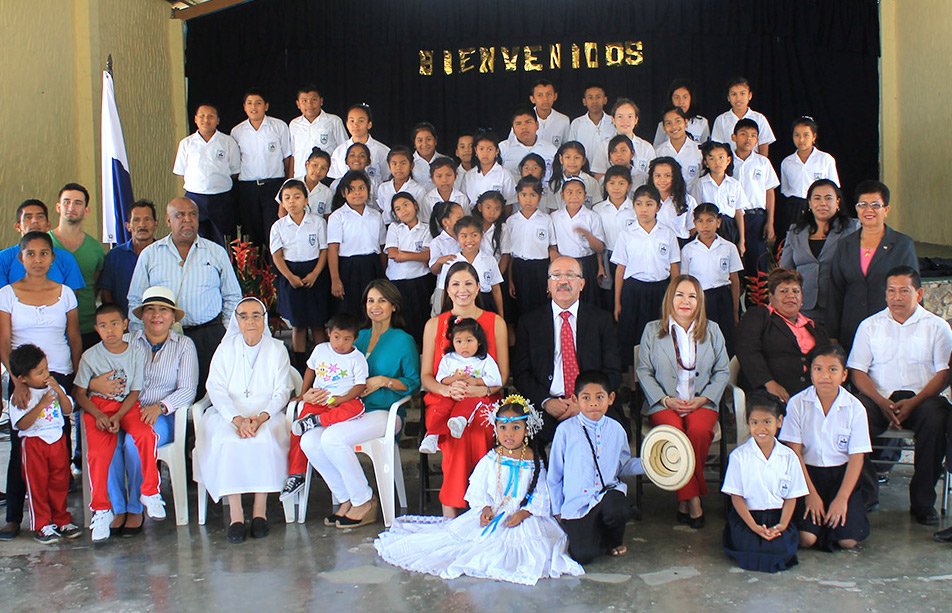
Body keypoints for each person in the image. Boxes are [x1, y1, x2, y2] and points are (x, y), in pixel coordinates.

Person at [374, 396, 583, 585]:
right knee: (473, 545)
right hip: (495, 511)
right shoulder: (492, 458)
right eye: (503, 428)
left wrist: (524, 512)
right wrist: (485, 507)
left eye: (516, 428)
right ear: (496, 429)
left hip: (526, 516)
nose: (509, 434)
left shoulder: (534, 460)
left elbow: (541, 493)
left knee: (534, 549)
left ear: (527, 430)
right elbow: (479, 487)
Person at [301, 280, 419, 527]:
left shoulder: (403, 340)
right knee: (309, 440)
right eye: (370, 300)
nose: (375, 306)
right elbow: (329, 372)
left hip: (383, 412)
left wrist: (384, 381)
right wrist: (311, 393)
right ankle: (346, 498)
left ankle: (365, 500)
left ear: (394, 306)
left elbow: (413, 383)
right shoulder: (356, 336)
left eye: (382, 301)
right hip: (345, 410)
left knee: (331, 438)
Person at [848, 266, 952, 525]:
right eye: (891, 291)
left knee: (938, 417)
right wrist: (881, 401)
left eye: (904, 291)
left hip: (922, 399)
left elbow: (943, 374)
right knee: (852, 415)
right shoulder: (869, 326)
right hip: (879, 398)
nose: (897, 297)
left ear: (919, 294)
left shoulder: (937, 327)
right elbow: (858, 371)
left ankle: (922, 502)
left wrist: (914, 402)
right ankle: (867, 494)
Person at [0, 231, 82, 541]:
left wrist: (74, 378)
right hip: (22, 378)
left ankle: (58, 517)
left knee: (58, 450)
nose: (37, 259)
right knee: (21, 448)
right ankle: (14, 517)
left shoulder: (66, 294)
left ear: (52, 257)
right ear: (20, 258)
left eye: (44, 253)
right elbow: (3, 340)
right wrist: (17, 380)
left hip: (57, 374)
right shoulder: (7, 294)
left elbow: (74, 337)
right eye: (30, 254)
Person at [97, 286, 197, 536]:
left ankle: (135, 507)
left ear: (173, 317)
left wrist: (160, 407)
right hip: (124, 410)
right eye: (150, 309)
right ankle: (117, 507)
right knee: (106, 442)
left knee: (134, 444)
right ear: (141, 316)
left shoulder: (184, 345)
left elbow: (188, 390)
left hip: (162, 416)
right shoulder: (127, 341)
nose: (156, 315)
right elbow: (104, 373)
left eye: (163, 310)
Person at [194, 297, 293, 544]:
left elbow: (283, 390)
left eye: (256, 315)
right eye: (244, 316)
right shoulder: (225, 348)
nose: (250, 321)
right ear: (236, 320)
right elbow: (215, 388)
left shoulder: (277, 349)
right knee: (227, 442)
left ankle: (260, 510)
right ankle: (236, 514)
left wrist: (260, 418)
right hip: (228, 414)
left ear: (264, 319)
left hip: (266, 414)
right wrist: (237, 419)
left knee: (265, 440)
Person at [637, 275, 730, 528]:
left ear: (700, 302)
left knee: (698, 431)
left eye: (692, 296)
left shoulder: (712, 330)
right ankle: (694, 500)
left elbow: (723, 370)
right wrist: (665, 399)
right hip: (665, 403)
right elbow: (643, 371)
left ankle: (684, 498)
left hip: (702, 402)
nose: (685, 301)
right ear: (670, 298)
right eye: (679, 295)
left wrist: (704, 398)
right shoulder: (652, 330)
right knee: (675, 434)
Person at [128, 197, 242, 395]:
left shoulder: (215, 252)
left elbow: (232, 296)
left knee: (210, 393)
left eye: (192, 215)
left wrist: (226, 332)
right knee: (168, 394)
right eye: (180, 215)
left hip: (209, 335)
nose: (187, 220)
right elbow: (136, 299)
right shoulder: (150, 254)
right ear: (168, 220)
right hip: (164, 337)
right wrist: (140, 339)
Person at [73, 304, 166, 542]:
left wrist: (117, 416)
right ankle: (102, 509)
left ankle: (150, 491)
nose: (110, 330)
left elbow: (134, 391)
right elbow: (79, 393)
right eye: (103, 326)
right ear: (96, 329)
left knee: (146, 435)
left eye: (114, 324)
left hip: (127, 406)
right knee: (97, 454)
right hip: (98, 408)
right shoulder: (90, 356)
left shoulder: (135, 352)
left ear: (125, 324)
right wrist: (100, 415)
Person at [421, 262, 508, 516]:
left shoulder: (495, 322)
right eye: (456, 284)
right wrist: (446, 390)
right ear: (447, 289)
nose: (463, 290)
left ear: (478, 287)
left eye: (469, 283)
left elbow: (502, 376)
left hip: (484, 398)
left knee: (477, 428)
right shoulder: (434, 325)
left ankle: (482, 505)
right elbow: (426, 376)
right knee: (453, 432)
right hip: (445, 398)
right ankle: (452, 508)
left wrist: (484, 391)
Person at [513, 256, 623, 446]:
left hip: (592, 405)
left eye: (570, 275)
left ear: (582, 284)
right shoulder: (529, 322)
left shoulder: (601, 321)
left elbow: (613, 372)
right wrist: (546, 401)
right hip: (545, 406)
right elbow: (521, 374)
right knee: (523, 438)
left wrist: (584, 403)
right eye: (556, 276)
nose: (563, 281)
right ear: (548, 285)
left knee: (613, 436)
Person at [779, 344, 871, 551]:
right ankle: (816, 526)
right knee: (806, 539)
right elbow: (795, 452)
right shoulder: (797, 403)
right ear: (810, 372)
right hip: (807, 475)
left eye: (833, 369)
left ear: (844, 375)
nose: (825, 376)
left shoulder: (855, 408)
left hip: (842, 477)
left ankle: (837, 519)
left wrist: (842, 498)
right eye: (818, 369)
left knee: (848, 541)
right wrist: (810, 494)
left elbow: (857, 458)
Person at [548, 370, 644, 563]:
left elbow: (623, 465)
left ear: (611, 398)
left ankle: (614, 539)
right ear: (575, 400)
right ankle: (598, 534)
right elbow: (555, 474)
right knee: (583, 555)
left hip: (607, 495)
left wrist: (649, 464)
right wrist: (557, 509)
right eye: (586, 397)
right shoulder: (565, 431)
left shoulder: (616, 429)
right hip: (578, 502)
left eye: (599, 397)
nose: (593, 403)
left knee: (618, 509)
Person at [283, 314, 368, 512]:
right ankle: (296, 473)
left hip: (341, 401)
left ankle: (318, 421)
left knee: (356, 407)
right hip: (318, 400)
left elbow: (360, 385)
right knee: (297, 431)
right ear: (329, 333)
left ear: (355, 339)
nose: (340, 343)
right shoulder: (321, 350)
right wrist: (303, 394)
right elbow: (310, 370)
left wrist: (343, 399)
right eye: (336, 337)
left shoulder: (357, 358)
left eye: (347, 339)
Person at [827, 180, 918, 350]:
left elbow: (913, 290)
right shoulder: (844, 245)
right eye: (863, 205)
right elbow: (835, 292)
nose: (868, 210)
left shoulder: (902, 244)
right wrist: (832, 335)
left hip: (892, 330)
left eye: (875, 205)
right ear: (856, 209)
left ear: (886, 210)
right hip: (852, 331)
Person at [721, 391, 806, 573]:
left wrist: (782, 524)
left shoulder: (789, 457)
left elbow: (791, 497)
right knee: (750, 548)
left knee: (780, 548)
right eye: (755, 422)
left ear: (779, 421)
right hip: (748, 517)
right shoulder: (738, 457)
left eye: (767, 422)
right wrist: (754, 526)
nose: (761, 428)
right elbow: (736, 497)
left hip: (777, 517)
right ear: (748, 423)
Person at [6, 344, 81, 544]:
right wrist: (41, 405)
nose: (46, 374)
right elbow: (21, 424)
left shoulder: (53, 388)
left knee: (60, 481)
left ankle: (61, 519)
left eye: (46, 368)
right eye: (39, 372)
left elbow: (68, 410)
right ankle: (42, 524)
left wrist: (59, 392)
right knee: (37, 485)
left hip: (56, 440)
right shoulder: (20, 397)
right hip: (34, 443)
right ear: (23, 378)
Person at [736, 269, 831, 403]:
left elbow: (829, 357)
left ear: (802, 299)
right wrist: (769, 383)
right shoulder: (759, 316)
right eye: (783, 291)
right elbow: (747, 350)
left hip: (810, 395)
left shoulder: (815, 328)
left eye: (796, 291)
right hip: (768, 393)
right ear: (771, 297)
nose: (791, 295)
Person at [613, 184, 680, 368]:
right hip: (633, 290)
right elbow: (620, 269)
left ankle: (659, 374)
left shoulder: (667, 234)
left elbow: (674, 268)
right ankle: (632, 379)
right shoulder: (626, 234)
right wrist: (617, 302)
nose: (644, 209)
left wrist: (674, 297)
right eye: (639, 204)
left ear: (658, 207)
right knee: (631, 335)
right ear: (633, 206)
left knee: (660, 333)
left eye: (649, 204)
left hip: (660, 290)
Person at [419, 316, 502, 455]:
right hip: (452, 393)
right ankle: (432, 435)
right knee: (440, 408)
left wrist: (476, 381)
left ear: (479, 342)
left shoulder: (484, 360)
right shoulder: (449, 359)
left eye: (469, 341)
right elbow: (441, 378)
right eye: (459, 341)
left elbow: (495, 379)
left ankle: (459, 421)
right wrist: (454, 379)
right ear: (452, 342)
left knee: (470, 403)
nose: (464, 346)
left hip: (472, 394)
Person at [779, 180, 859, 324]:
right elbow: (786, 272)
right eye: (817, 198)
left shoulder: (853, 228)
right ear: (809, 203)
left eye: (828, 198)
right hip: (803, 307)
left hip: (839, 305)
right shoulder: (795, 231)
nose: (822, 203)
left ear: (837, 202)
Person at [270, 179, 329, 373]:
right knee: (298, 324)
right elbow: (277, 255)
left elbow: (324, 250)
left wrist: (315, 273)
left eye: (297, 197)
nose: (292, 201)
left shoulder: (318, 223)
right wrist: (289, 277)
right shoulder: (278, 226)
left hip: (315, 274)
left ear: (306, 200)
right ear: (282, 202)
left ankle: (324, 364)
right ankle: (300, 366)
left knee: (318, 323)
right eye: (287, 198)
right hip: (290, 274)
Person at [172, 103, 241, 245]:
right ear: (195, 119)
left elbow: (235, 171)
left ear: (218, 120)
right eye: (202, 116)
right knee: (195, 239)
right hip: (194, 198)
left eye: (211, 116)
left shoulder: (228, 142)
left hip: (221, 199)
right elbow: (181, 171)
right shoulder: (186, 143)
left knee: (224, 239)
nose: (206, 120)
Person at [231, 88, 292, 247]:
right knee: (250, 231)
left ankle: (273, 263)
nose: (254, 107)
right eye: (249, 103)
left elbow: (287, 157)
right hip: (248, 188)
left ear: (266, 106)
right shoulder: (237, 131)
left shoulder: (279, 126)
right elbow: (234, 164)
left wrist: (287, 183)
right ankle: (254, 264)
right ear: (244, 107)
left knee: (274, 230)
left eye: (258, 103)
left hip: (274, 186)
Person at [680, 204, 742, 356]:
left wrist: (735, 310)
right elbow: (685, 282)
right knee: (702, 339)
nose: (705, 226)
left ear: (718, 222)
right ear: (694, 224)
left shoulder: (729, 247)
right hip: (699, 299)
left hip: (723, 297)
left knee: (726, 337)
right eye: (700, 221)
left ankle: (726, 369)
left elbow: (735, 280)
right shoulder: (688, 250)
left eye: (710, 220)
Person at [49, 183, 105, 350]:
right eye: (66, 202)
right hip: (51, 328)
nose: (71, 207)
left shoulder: (95, 248)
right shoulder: (44, 244)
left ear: (86, 210)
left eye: (78, 203)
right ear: (58, 207)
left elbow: (95, 285)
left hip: (87, 327)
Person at [327, 170, 387, 317]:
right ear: (343, 193)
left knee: (373, 309)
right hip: (348, 268)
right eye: (352, 189)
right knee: (350, 311)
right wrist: (335, 279)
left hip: (372, 266)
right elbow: (333, 249)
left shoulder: (376, 215)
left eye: (361, 188)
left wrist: (384, 273)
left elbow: (382, 248)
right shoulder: (337, 217)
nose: (357, 193)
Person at [504, 177, 558, 321]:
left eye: (533, 195)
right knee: (520, 307)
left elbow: (552, 248)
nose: (528, 199)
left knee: (540, 306)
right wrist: (510, 280)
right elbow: (509, 254)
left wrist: (551, 279)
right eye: (524, 195)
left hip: (540, 268)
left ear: (540, 197)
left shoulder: (546, 220)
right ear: (518, 196)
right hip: (518, 268)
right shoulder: (511, 221)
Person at [778, 117, 840, 241]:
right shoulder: (787, 162)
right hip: (795, 207)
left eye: (806, 135)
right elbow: (785, 189)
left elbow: (834, 188)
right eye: (797, 135)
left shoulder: (825, 159)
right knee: (795, 241)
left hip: (819, 205)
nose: (801, 139)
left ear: (814, 137)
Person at [0, 199, 84, 290]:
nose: (35, 221)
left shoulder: (66, 258)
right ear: (18, 226)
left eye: (40, 217)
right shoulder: (3, 258)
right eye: (28, 217)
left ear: (48, 225)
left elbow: (70, 295)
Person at [384, 192, 433, 346]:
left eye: (406, 205)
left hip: (421, 281)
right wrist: (416, 256)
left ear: (415, 206)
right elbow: (392, 254)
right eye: (398, 209)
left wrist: (404, 255)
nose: (403, 210)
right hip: (397, 283)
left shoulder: (426, 228)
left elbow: (428, 255)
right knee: (400, 321)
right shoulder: (394, 228)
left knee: (421, 320)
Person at [731, 119, 779, 273]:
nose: (748, 139)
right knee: (733, 264)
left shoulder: (762, 162)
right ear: (734, 137)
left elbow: (769, 192)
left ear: (757, 140)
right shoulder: (726, 161)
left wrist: (770, 221)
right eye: (743, 134)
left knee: (757, 265)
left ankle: (757, 291)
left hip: (756, 218)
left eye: (753, 135)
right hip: (732, 219)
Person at [550, 177, 606, 306]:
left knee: (588, 300)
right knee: (566, 299)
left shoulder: (592, 216)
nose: (574, 196)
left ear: (585, 195)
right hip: (563, 264)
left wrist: (587, 234)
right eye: (569, 192)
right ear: (562, 195)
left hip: (587, 264)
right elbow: (551, 245)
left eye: (579, 192)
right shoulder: (555, 217)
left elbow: (599, 248)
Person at [99, 200, 158, 317]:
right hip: (124, 323)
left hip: (158, 322)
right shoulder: (114, 256)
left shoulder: (165, 255)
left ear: (156, 224)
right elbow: (105, 292)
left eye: (147, 219)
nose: (142, 225)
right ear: (128, 226)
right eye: (136, 220)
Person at [436, 216, 504, 316]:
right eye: (464, 236)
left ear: (482, 235)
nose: (469, 240)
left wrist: (501, 315)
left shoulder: (489, 260)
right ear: (457, 237)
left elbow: (496, 289)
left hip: (486, 304)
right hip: (460, 303)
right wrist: (443, 315)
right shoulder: (450, 262)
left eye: (474, 235)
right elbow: (444, 291)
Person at [691, 142, 748, 256]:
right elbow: (695, 211)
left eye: (721, 157)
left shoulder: (734, 184)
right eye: (712, 158)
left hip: (729, 227)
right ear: (706, 163)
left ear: (728, 160)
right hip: (708, 227)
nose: (717, 162)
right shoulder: (700, 184)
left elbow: (738, 212)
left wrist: (742, 240)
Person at [590, 99, 656, 186]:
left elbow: (652, 175)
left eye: (630, 116)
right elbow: (599, 175)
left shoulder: (646, 147)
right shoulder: (604, 146)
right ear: (613, 119)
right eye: (620, 117)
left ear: (636, 120)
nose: (625, 121)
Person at [288, 84, 348, 178]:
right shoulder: (294, 124)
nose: (309, 105)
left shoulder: (334, 121)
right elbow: (293, 154)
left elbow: (344, 149)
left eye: (314, 100)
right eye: (304, 101)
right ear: (298, 104)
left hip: (327, 176)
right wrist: (290, 179)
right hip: (301, 176)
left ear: (321, 101)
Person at [710, 77, 776, 156]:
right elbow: (717, 147)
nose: (738, 98)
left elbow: (763, 146)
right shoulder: (721, 120)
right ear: (728, 97)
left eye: (742, 93)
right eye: (734, 94)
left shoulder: (759, 118)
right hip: (729, 162)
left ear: (750, 95)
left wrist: (761, 163)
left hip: (753, 162)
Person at [328, 103, 391, 181]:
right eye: (352, 121)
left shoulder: (382, 151)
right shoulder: (339, 151)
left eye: (361, 121)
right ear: (347, 124)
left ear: (369, 124)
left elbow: (387, 179)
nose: (355, 125)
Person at [499, 106, 558, 181]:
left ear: (537, 125)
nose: (524, 127)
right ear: (513, 129)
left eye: (528, 122)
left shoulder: (551, 150)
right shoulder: (503, 148)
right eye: (518, 124)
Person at [461, 131, 517, 208]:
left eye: (489, 149)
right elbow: (464, 202)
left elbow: (509, 204)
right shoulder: (469, 175)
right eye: (481, 149)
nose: (485, 153)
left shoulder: (505, 175)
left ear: (497, 151)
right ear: (476, 151)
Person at [427, 201, 464, 315]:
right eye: (459, 218)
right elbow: (434, 270)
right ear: (446, 222)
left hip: (464, 285)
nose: (463, 221)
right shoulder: (437, 242)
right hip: (444, 287)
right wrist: (440, 261)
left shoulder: (465, 237)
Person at [275, 147, 334, 218]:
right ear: (307, 164)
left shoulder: (327, 192)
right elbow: (282, 212)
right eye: (315, 165)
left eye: (323, 168)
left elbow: (326, 217)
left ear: (327, 171)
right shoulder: (291, 183)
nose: (318, 171)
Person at [649, 157, 697, 242]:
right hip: (653, 243)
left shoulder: (688, 201)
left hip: (680, 243)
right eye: (658, 176)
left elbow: (693, 229)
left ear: (675, 177)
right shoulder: (647, 200)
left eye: (667, 175)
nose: (662, 180)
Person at [655, 107, 703, 192]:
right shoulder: (658, 152)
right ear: (663, 127)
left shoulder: (699, 150)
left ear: (686, 122)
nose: (674, 126)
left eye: (678, 121)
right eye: (668, 123)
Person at [376, 147, 427, 223]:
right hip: (387, 226)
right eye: (394, 164)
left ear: (411, 165)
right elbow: (383, 209)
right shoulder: (383, 188)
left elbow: (420, 215)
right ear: (389, 166)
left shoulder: (418, 190)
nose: (398, 167)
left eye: (403, 163)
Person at [653, 78, 710, 147]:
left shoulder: (702, 123)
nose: (681, 102)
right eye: (676, 97)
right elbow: (657, 148)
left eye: (685, 97)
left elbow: (707, 148)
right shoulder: (663, 125)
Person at [567, 84, 614, 166]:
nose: (594, 101)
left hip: (609, 170)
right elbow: (571, 149)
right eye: (590, 97)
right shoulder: (577, 123)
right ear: (584, 101)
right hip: (584, 170)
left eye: (598, 97)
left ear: (605, 100)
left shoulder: (613, 122)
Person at [516, 79, 571, 147]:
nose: (545, 99)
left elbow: (567, 147)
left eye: (549, 94)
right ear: (532, 99)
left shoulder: (563, 120)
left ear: (555, 96)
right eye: (540, 95)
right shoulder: (522, 119)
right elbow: (513, 143)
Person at [548, 141, 601, 207]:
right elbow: (552, 209)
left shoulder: (592, 182)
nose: (572, 161)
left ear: (583, 160)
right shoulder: (555, 183)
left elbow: (596, 206)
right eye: (568, 157)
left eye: (577, 157)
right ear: (561, 159)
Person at [422, 157, 470, 222]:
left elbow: (466, 221)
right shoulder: (428, 199)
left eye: (448, 175)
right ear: (432, 179)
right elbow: (426, 222)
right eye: (439, 176)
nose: (444, 180)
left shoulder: (462, 198)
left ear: (455, 176)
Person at [411, 122, 452, 190]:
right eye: (420, 140)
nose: (424, 144)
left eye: (428, 139)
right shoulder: (408, 162)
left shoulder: (447, 161)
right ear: (414, 143)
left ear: (435, 141)